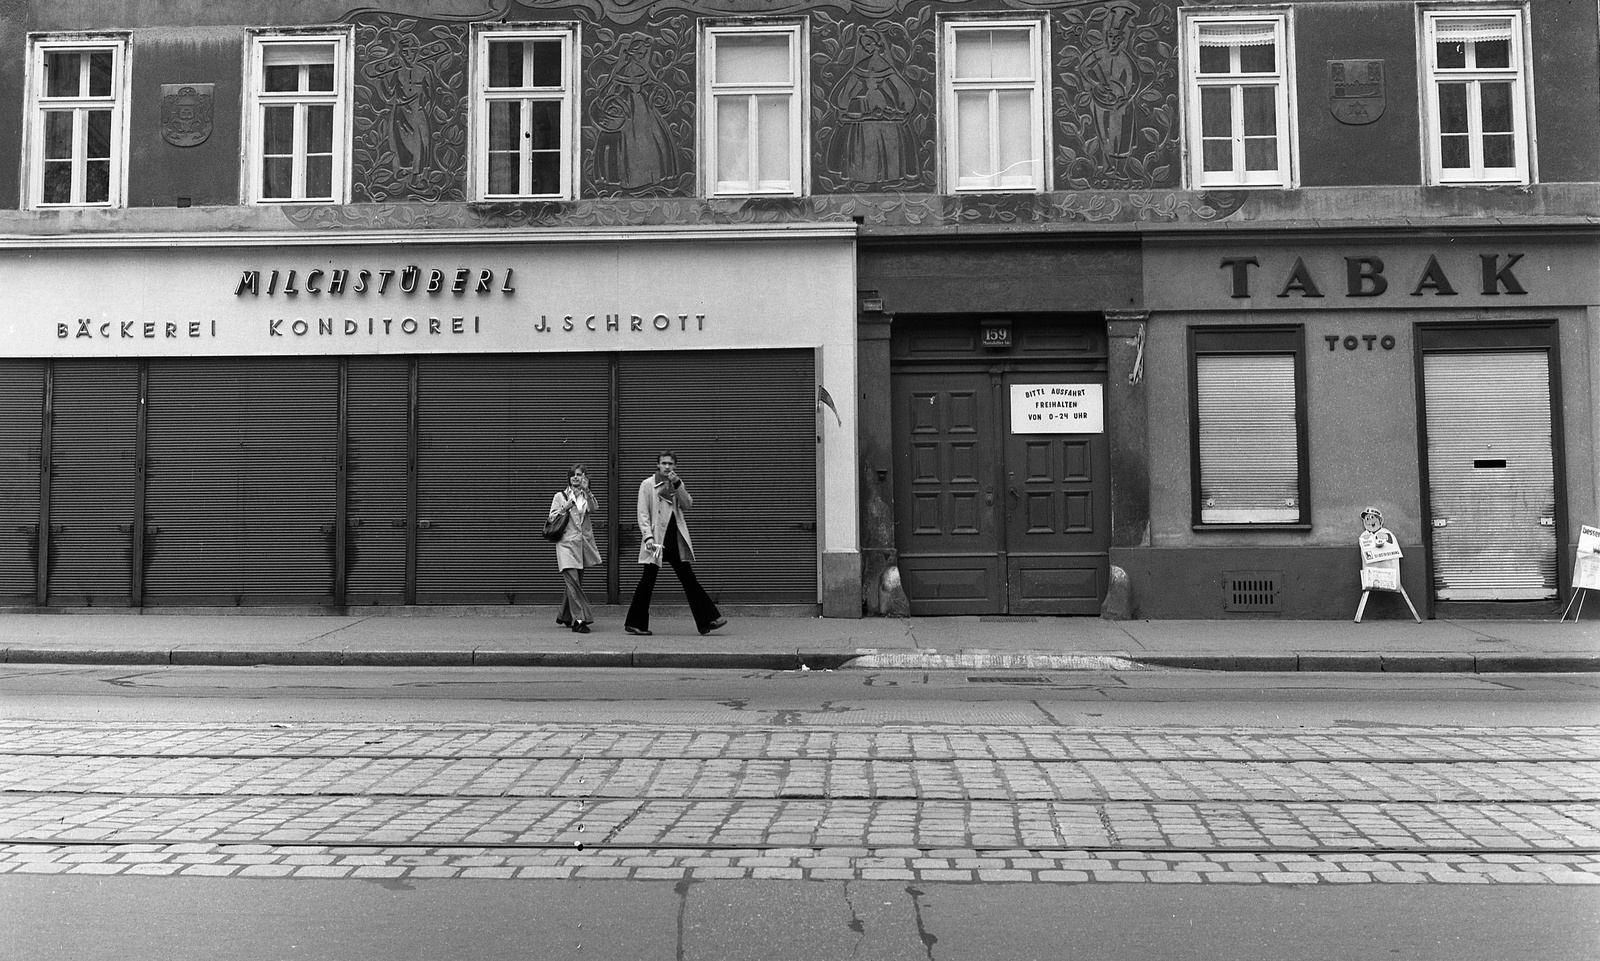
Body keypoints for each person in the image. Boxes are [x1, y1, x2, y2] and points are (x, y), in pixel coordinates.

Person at [624, 451, 726, 636]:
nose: (667, 467)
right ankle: (635, 623)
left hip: (675, 542)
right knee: (648, 580)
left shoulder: (676, 484)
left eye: (670, 463)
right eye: (663, 463)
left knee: (689, 579)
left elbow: (687, 504)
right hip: (657, 544)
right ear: (657, 465)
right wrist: (648, 537)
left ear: (675, 466)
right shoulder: (648, 485)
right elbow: (642, 514)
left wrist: (678, 485)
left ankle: (707, 620)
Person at [550, 465, 602, 634]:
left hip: (582, 546)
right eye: (572, 475)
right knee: (573, 583)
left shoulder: (585, 496)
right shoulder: (560, 496)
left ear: (585, 478)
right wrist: (566, 506)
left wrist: (587, 492)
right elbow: (551, 518)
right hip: (566, 544)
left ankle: (564, 616)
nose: (575, 477)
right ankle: (579, 620)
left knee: (574, 583)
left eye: (579, 475)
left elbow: (594, 509)